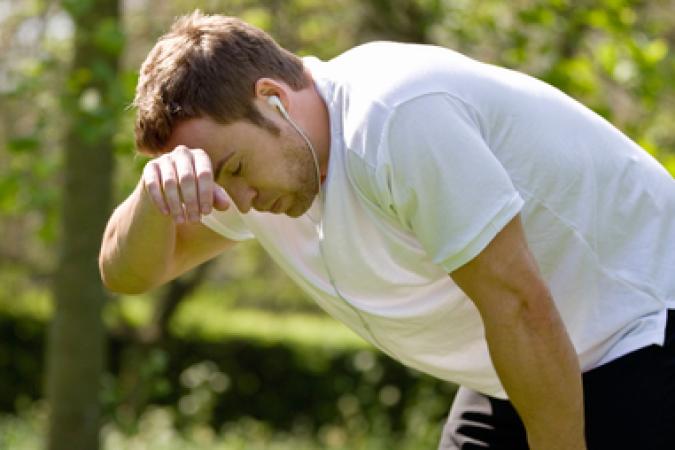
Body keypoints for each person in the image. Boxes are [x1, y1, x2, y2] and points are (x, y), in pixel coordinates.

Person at [98, 10, 675, 450]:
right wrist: (155, 197)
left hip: (639, 323)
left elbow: (518, 305)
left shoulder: (394, 117)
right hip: (526, 361)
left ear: (272, 101)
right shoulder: (257, 169)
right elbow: (125, 272)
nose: (240, 200)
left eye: (236, 170)